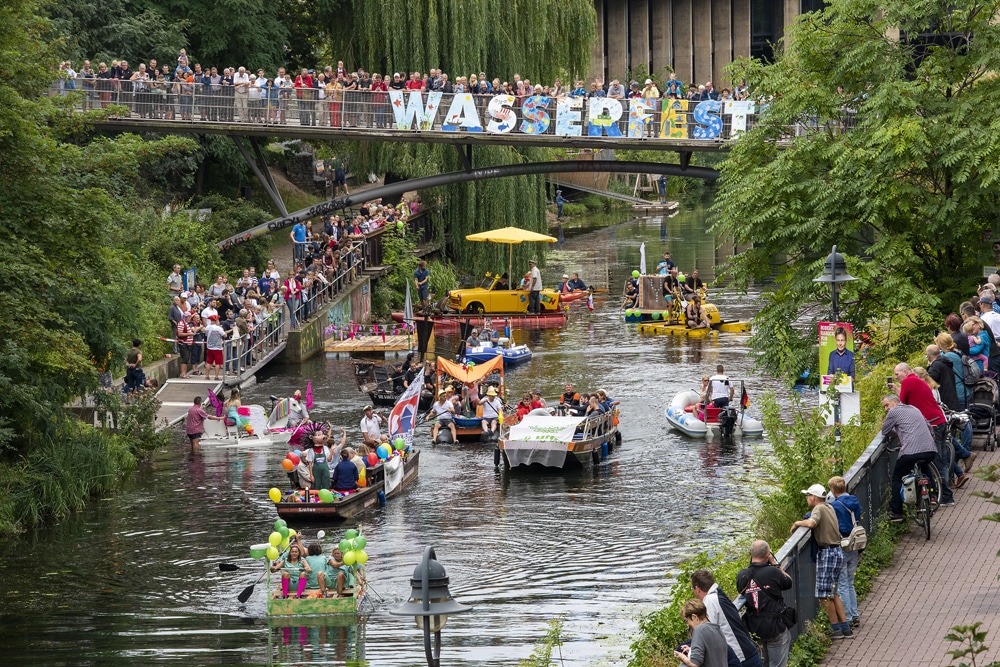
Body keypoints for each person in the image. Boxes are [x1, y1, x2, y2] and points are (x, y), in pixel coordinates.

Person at [789, 483, 852, 639]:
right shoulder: (829, 507)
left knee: (823, 595)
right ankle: (846, 629)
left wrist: (797, 523)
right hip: (837, 551)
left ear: (813, 497)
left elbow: (811, 523)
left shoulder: (818, 509)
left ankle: (836, 630)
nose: (807, 498)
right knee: (833, 593)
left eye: (808, 495)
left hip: (828, 553)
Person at [891, 362, 953, 506]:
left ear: (905, 372)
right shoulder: (917, 381)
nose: (896, 377)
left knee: (936, 461)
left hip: (932, 424)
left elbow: (903, 405)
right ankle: (941, 493)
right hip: (940, 420)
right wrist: (896, 389)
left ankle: (946, 496)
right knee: (941, 460)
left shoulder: (907, 382)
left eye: (897, 374)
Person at [881, 393, 940, 521]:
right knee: (924, 466)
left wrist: (898, 433)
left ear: (895, 402)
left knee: (896, 478)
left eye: (886, 405)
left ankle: (896, 512)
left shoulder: (894, 412)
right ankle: (933, 495)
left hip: (910, 452)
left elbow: (885, 431)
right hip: (930, 450)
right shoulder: (914, 408)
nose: (886, 409)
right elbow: (929, 427)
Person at [737, 540, 793, 667]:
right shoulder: (773, 572)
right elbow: (789, 582)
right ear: (768, 554)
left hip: (753, 627)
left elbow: (742, 592)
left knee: (761, 663)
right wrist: (775, 565)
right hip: (775, 626)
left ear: (751, 553)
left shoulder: (742, 575)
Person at [691, 570, 762, 667]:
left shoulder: (710, 601)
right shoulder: (718, 594)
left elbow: (706, 632)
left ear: (697, 588)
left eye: (692, 588)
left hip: (739, 657)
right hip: (748, 651)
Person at [827, 476, 862, 628]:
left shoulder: (834, 506)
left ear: (833, 490)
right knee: (849, 582)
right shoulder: (854, 501)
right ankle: (854, 614)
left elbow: (822, 516)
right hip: (854, 544)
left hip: (842, 545)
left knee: (842, 584)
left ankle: (847, 617)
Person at [673, 599, 729, 667]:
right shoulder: (716, 628)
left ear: (694, 617)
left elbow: (694, 664)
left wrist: (682, 657)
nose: (688, 624)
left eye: (687, 621)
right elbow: (712, 654)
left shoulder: (699, 630)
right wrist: (691, 651)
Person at [204, 314, 226, 380]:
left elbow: (206, 335)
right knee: (218, 363)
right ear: (216, 320)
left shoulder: (207, 327)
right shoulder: (218, 328)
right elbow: (225, 335)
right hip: (217, 348)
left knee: (209, 362)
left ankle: (207, 376)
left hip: (209, 347)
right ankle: (216, 376)